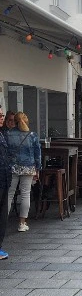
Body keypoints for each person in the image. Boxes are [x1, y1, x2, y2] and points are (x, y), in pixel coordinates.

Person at [6, 112, 41, 232]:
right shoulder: (32, 135)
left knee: (9, 194)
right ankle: (22, 223)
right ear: (26, 121)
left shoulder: (8, 134)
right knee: (26, 194)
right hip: (28, 167)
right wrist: (38, 168)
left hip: (12, 167)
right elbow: (37, 154)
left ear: (15, 122)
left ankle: (3, 222)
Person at [0, 107, 12, 258]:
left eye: (2, 115)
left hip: (4, 179)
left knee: (3, 216)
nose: (2, 118)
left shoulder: (2, 134)